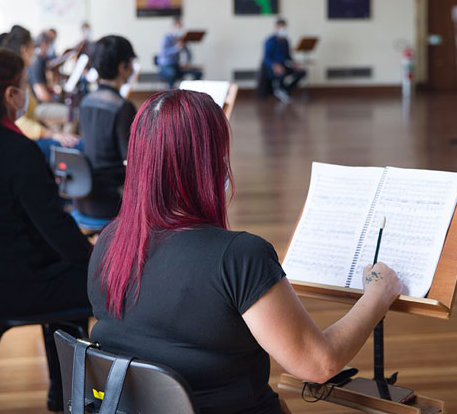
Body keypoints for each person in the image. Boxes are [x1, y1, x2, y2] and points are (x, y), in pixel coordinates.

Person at [88, 90, 403, 414]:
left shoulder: (109, 243)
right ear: (207, 163)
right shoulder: (239, 258)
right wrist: (377, 296)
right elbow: (318, 364)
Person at [0, 47, 92, 411]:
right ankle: (80, 396)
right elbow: (54, 226)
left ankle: (65, 393)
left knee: (70, 276)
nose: (26, 93)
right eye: (23, 86)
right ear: (10, 95)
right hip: (9, 287)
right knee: (95, 285)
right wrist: (98, 262)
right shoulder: (17, 151)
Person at [74, 35, 138, 224]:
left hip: (84, 197)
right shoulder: (122, 107)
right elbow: (130, 159)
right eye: (131, 63)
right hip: (110, 202)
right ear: (122, 67)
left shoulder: (86, 102)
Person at [1, 26, 82, 154]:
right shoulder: (16, 77)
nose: (35, 52)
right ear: (24, 50)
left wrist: (54, 132)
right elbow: (20, 121)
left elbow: (30, 113)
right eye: (33, 48)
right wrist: (53, 134)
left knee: (73, 137)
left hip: (34, 125)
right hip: (28, 136)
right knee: (78, 143)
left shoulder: (21, 74)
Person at [263, 18, 305, 103]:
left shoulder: (285, 41)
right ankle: (278, 90)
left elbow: (288, 57)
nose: (283, 30)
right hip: (272, 67)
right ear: (276, 28)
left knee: (301, 72)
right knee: (281, 71)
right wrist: (274, 65)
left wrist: (295, 64)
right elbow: (266, 58)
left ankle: (285, 90)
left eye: (284, 28)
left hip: (284, 64)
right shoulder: (270, 41)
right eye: (281, 28)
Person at [156, 16, 203, 88]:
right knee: (171, 74)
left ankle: (193, 93)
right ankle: (170, 94)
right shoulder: (166, 38)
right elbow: (165, 53)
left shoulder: (181, 39)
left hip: (177, 66)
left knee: (197, 73)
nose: (180, 30)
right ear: (173, 27)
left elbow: (188, 54)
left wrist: (187, 63)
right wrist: (177, 48)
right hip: (166, 66)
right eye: (178, 27)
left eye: (181, 28)